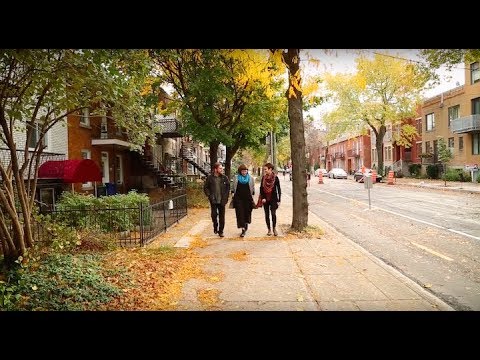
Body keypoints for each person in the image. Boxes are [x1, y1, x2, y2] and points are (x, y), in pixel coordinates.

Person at [203, 162, 230, 237]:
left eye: (222, 168)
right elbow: (206, 188)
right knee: (214, 215)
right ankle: (215, 225)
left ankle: (221, 231)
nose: (222, 170)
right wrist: (209, 195)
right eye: (220, 168)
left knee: (222, 217)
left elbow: (228, 188)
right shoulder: (210, 178)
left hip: (222, 200)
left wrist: (226, 198)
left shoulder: (225, 178)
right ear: (215, 169)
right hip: (213, 200)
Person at [231, 164, 255, 237]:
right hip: (238, 199)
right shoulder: (236, 178)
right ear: (240, 171)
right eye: (243, 171)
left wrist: (253, 194)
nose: (244, 172)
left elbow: (253, 188)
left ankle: (246, 224)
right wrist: (232, 193)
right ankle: (243, 229)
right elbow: (233, 187)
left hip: (248, 199)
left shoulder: (250, 178)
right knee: (240, 214)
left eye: (245, 171)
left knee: (247, 213)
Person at [259, 162, 281, 236]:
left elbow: (279, 189)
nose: (264, 171)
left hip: (273, 199)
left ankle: (274, 228)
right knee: (267, 215)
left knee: (273, 214)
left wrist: (279, 200)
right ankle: (269, 229)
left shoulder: (276, 178)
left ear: (270, 169)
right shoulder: (263, 178)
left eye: (266, 169)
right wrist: (263, 198)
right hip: (265, 199)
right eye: (264, 169)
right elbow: (261, 188)